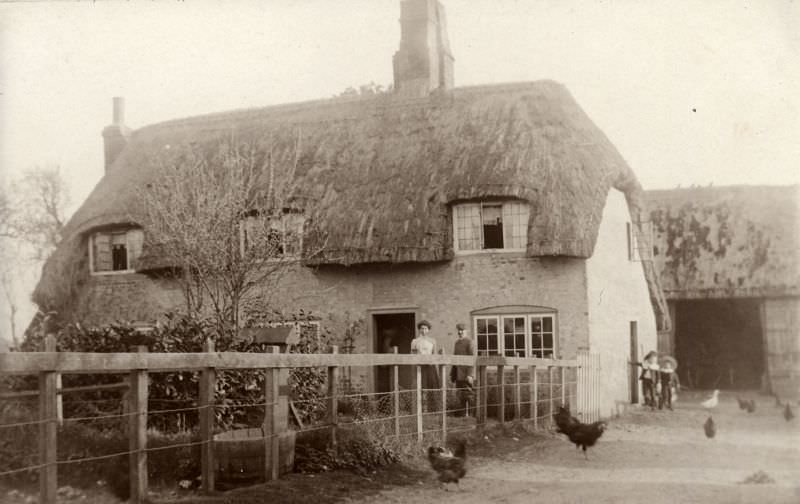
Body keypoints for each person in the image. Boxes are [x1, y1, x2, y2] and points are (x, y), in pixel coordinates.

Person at [411, 320, 440, 411]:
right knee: (421, 387)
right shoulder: (415, 341)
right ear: (419, 330)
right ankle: (422, 409)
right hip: (420, 367)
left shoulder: (432, 341)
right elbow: (412, 355)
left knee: (431, 386)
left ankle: (432, 409)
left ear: (428, 330)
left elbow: (434, 355)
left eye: (425, 328)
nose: (423, 330)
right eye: (422, 328)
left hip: (430, 367)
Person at [450, 323, 476, 417]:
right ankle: (463, 415)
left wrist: (470, 374)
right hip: (458, 373)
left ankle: (471, 415)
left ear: (466, 331)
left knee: (469, 394)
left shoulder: (470, 342)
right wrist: (453, 373)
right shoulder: (457, 343)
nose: (460, 332)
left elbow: (473, 359)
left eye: (462, 330)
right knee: (460, 394)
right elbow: (455, 358)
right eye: (459, 330)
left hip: (467, 373)